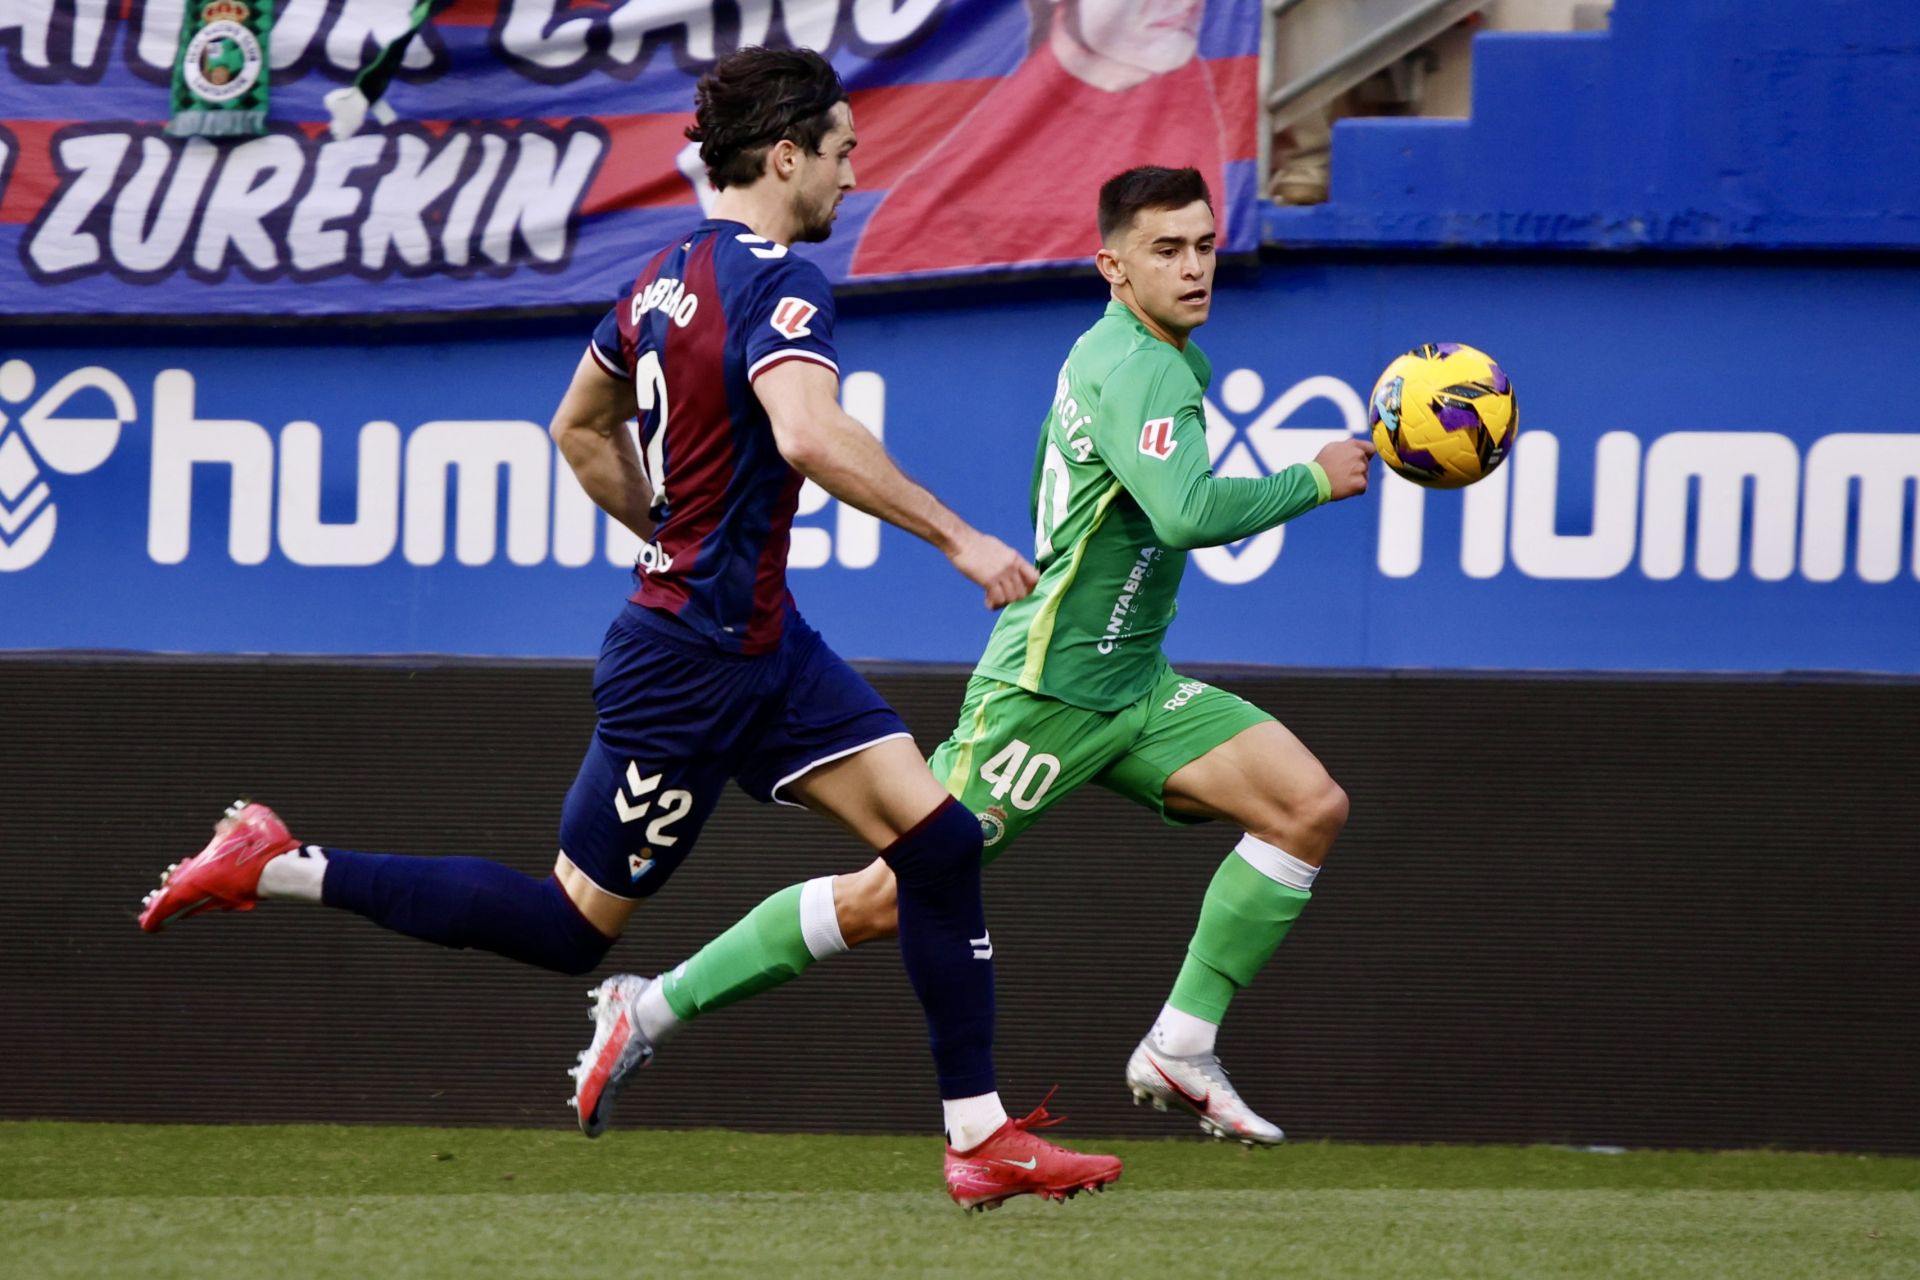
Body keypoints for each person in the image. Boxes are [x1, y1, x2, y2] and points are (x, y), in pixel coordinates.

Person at [137, 46, 1122, 1213]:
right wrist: (959, 538)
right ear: (788, 153)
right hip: (693, 666)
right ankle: (278, 862)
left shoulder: (660, 278)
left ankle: (979, 1135)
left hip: (762, 643)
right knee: (567, 925)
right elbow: (807, 433)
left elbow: (577, 424)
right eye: (844, 156)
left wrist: (673, 528)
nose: (853, 181)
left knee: (940, 845)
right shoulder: (781, 283)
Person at [580, 165, 1376, 1147]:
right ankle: (645, 1007)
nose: (1195, 265)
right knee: (882, 898)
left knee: (1306, 805)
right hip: (1045, 691)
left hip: (1132, 682)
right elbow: (1184, 513)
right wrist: (1311, 476)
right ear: (1112, 266)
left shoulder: (1143, 352)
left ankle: (1180, 1043)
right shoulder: (1139, 366)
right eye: (1167, 249)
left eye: (1205, 245)